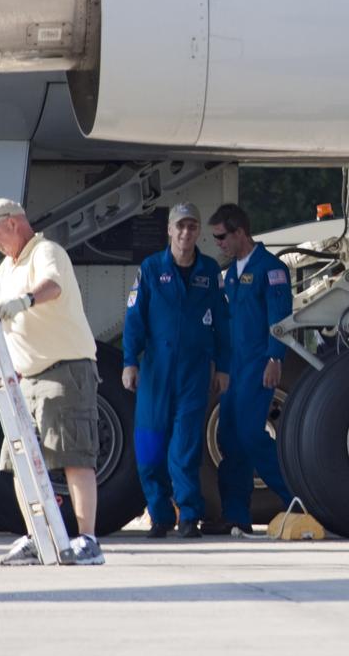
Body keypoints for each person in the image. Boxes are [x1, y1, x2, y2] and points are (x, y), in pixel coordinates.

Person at [0, 197, 104, 566]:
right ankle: (37, 536)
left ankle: (88, 540)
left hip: (64, 371)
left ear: (13, 223)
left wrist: (25, 301)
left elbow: (53, 286)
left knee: (75, 456)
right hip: (25, 377)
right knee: (22, 460)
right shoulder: (7, 267)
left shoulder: (46, 251)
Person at [122, 202, 230, 538]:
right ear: (169, 230)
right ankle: (160, 515)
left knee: (184, 449)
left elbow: (222, 323)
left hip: (193, 373)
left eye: (192, 226)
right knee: (151, 451)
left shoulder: (209, 271)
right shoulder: (152, 269)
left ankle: (188, 516)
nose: (186, 233)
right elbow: (134, 319)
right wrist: (129, 361)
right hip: (155, 373)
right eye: (180, 226)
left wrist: (223, 367)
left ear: (198, 231)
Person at [205, 203, 294, 534]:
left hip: (258, 364)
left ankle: (297, 499)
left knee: (250, 435)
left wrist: (276, 357)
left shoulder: (271, 269)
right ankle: (235, 515)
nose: (219, 244)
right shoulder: (230, 273)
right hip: (235, 368)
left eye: (222, 237)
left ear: (240, 232)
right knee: (229, 439)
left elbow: (280, 317)